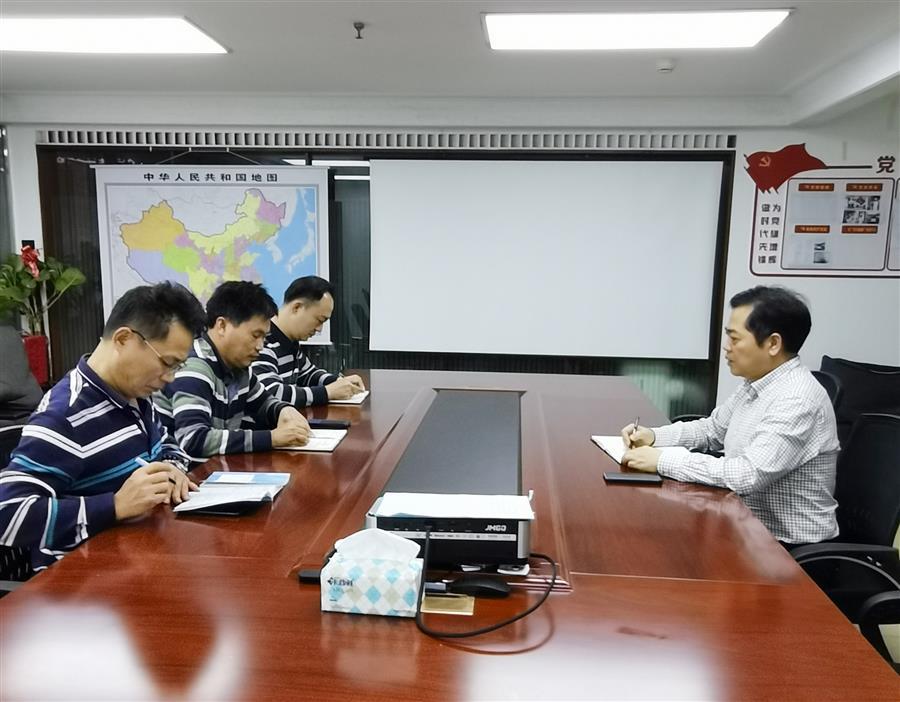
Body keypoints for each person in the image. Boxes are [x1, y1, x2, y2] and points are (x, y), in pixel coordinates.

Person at [0, 282, 207, 573]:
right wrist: (115, 505)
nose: (170, 378)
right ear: (123, 339)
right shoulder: (65, 416)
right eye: (167, 362)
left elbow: (167, 443)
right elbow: (8, 514)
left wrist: (172, 468)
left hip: (139, 556)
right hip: (81, 581)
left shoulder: (136, 396)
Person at [620, 285, 839, 546]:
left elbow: (747, 474)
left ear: (773, 344)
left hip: (785, 549)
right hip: (744, 526)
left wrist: (662, 461)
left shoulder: (797, 399)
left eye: (734, 339)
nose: (726, 347)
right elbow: (712, 431)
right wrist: (654, 437)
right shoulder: (757, 382)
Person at [155, 281, 310, 460]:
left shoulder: (238, 366)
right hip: (183, 470)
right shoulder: (194, 367)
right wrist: (272, 438)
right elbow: (194, 439)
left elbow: (263, 403)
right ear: (222, 326)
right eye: (255, 335)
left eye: (264, 338)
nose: (260, 346)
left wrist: (283, 410)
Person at [251, 276, 365, 407]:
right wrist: (327, 392)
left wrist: (340, 382)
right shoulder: (262, 342)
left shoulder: (290, 341)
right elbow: (271, 393)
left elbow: (308, 374)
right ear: (297, 307)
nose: (319, 329)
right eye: (319, 320)